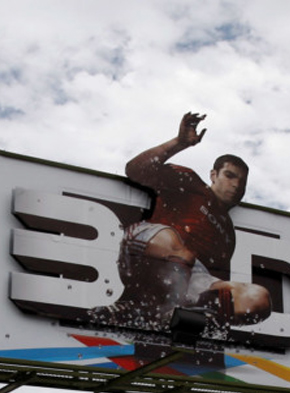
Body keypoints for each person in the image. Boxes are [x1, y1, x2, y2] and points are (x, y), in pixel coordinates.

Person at [88, 112, 271, 335]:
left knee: (259, 297)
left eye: (242, 181)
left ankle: (166, 318)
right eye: (230, 176)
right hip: (148, 251)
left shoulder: (227, 234)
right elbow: (136, 170)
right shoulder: (191, 183)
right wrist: (179, 142)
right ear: (214, 175)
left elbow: (216, 284)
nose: (236, 185)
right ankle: (144, 307)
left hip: (189, 279)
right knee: (180, 249)